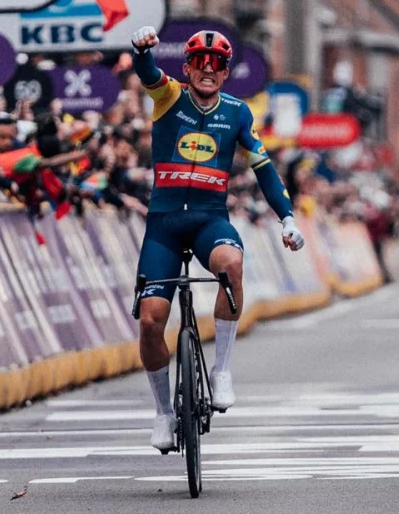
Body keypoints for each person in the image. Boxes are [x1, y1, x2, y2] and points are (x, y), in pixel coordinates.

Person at [129, 25, 304, 452]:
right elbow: (147, 72)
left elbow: (263, 167)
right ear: (187, 67)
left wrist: (286, 217)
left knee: (232, 264)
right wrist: (140, 49)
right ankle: (163, 413)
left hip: (210, 220)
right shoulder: (169, 96)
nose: (208, 70)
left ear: (226, 73)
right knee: (151, 321)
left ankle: (222, 369)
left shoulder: (239, 112)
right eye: (200, 63)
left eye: (217, 65)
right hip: (164, 225)